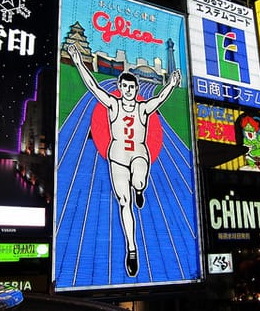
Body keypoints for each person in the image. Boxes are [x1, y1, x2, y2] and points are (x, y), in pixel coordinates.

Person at [68, 43, 181, 277]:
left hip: (139, 154)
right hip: (118, 158)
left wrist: (170, 83)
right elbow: (93, 86)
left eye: (132, 86)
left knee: (139, 182)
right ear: (120, 87)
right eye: (125, 86)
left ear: (136, 88)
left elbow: (159, 98)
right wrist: (78, 61)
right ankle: (132, 248)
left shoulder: (142, 108)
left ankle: (140, 188)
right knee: (123, 202)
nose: (128, 89)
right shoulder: (113, 104)